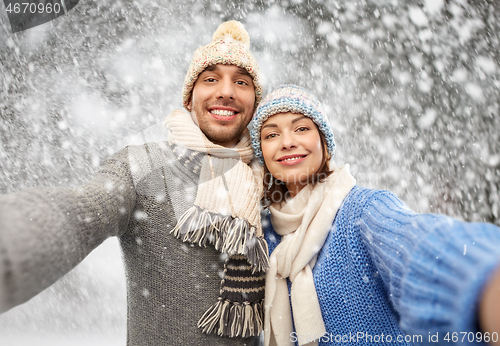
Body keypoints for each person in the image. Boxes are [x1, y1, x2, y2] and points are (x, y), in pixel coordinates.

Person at [0, 20, 269, 346]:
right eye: (210, 78)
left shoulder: (271, 180)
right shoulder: (142, 166)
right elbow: (82, 212)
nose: (226, 91)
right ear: (189, 98)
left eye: (241, 82)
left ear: (255, 103)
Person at [249, 84, 500, 346]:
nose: (288, 142)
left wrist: (483, 278)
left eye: (301, 128)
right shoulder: (264, 234)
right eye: (271, 135)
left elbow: (421, 248)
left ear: (323, 141)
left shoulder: (363, 211)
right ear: (262, 153)